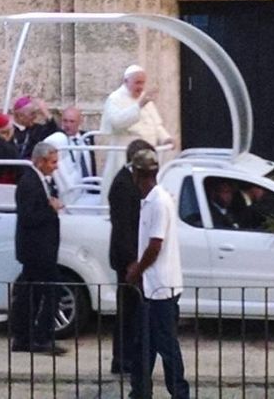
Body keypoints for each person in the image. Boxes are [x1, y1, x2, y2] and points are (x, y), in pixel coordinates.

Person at [126, 150, 190, 399]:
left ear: (138, 173)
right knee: (144, 345)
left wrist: (136, 270)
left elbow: (155, 245)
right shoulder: (152, 200)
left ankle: (180, 393)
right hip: (152, 287)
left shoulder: (159, 202)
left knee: (166, 346)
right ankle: (140, 392)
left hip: (162, 288)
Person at [8, 142, 66, 354]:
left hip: (41, 249)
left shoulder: (39, 181)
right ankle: (40, 337)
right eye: (52, 162)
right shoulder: (29, 183)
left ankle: (24, 337)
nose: (56, 166)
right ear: (40, 161)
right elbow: (29, 217)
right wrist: (51, 208)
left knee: (31, 294)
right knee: (49, 291)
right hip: (36, 250)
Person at [108, 139, 155, 375]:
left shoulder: (127, 182)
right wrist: (131, 262)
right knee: (127, 310)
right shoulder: (123, 185)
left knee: (133, 310)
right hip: (127, 258)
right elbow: (124, 228)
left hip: (131, 256)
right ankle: (122, 358)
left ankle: (128, 355)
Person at [99, 65, 173, 202]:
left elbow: (155, 124)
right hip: (124, 154)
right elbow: (116, 122)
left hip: (146, 155)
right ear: (126, 81)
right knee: (125, 191)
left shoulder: (144, 98)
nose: (141, 86)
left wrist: (166, 138)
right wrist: (138, 106)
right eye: (137, 82)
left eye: (143, 82)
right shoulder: (115, 98)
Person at [43, 106, 97, 200]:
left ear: (80, 122)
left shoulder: (87, 137)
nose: (68, 125)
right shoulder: (59, 139)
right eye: (65, 121)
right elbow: (51, 127)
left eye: (72, 121)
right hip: (70, 193)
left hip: (91, 190)